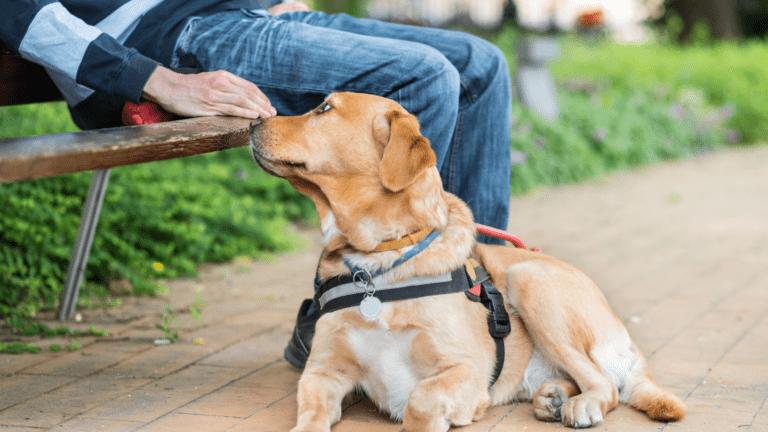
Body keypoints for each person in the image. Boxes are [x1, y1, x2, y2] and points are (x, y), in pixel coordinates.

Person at [1, 0, 512, 369]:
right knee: (424, 76)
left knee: (481, 66)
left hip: (237, 15)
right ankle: (348, 308)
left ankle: (480, 298)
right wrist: (154, 78)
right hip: (164, 38)